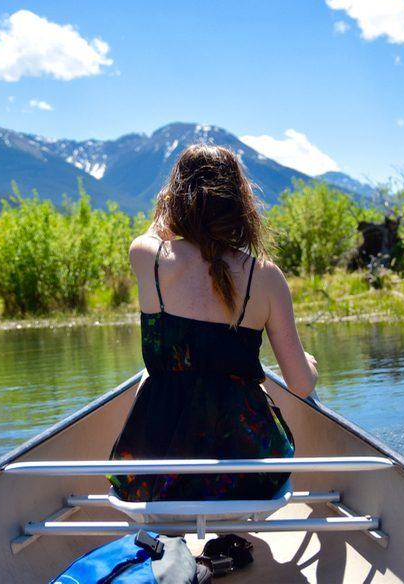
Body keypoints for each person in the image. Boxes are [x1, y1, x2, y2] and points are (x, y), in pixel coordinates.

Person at [108, 144, 319, 503]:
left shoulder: (148, 257)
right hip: (246, 473)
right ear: (240, 205)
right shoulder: (266, 276)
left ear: (176, 200)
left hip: (157, 469)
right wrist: (309, 366)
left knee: (151, 380)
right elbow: (299, 385)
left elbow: (155, 232)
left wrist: (166, 208)